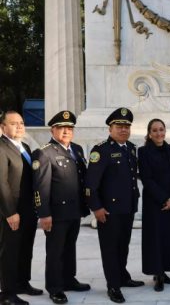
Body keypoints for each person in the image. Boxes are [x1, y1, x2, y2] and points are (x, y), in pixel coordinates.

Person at [85, 108, 143, 304]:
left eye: (127, 126)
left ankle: (122, 276)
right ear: (110, 128)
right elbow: (91, 184)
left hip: (127, 208)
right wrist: (97, 208)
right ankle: (113, 285)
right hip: (108, 210)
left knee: (123, 246)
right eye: (119, 126)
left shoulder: (131, 148)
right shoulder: (101, 150)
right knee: (110, 248)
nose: (124, 130)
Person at [32, 111, 91, 304]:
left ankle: (68, 279)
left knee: (69, 248)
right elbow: (40, 186)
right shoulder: (44, 152)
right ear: (53, 129)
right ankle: (55, 287)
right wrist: (44, 214)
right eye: (61, 128)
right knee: (55, 251)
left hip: (74, 210)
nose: (66, 131)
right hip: (56, 213)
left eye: (69, 128)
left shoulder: (77, 149)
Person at [0, 111, 42, 305]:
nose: (19, 126)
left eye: (22, 123)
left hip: (27, 210)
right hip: (11, 211)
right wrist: (10, 212)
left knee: (26, 249)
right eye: (13, 123)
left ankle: (22, 283)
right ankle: (7, 293)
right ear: (3, 127)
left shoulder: (24, 146)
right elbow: (1, 183)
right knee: (10, 252)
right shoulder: (1, 148)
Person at [138, 119, 170, 292]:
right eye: (155, 130)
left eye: (161, 129)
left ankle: (164, 271)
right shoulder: (143, 152)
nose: (159, 133)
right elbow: (147, 179)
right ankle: (157, 274)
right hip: (154, 202)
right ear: (149, 133)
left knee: (168, 238)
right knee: (154, 238)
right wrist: (165, 199)